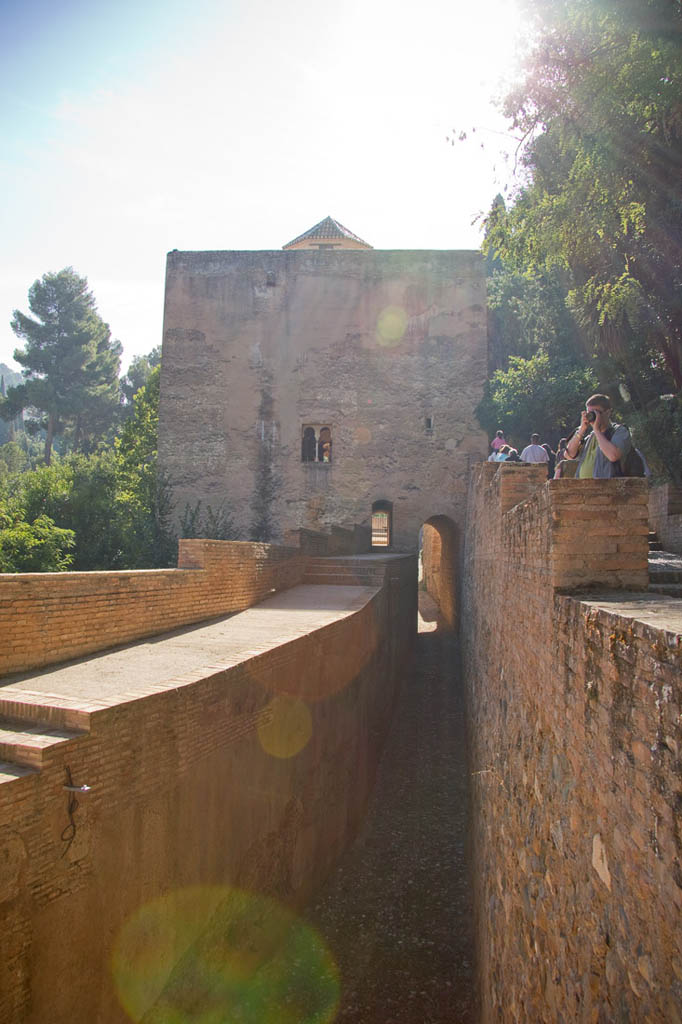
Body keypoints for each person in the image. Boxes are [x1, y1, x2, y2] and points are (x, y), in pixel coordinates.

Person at [564, 393, 631, 478]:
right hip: (584, 489)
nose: (592, 417)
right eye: (589, 413)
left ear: (608, 412)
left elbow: (613, 456)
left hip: (608, 488)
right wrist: (581, 430)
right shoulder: (591, 437)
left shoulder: (619, 431)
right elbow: (569, 455)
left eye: (596, 413)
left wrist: (596, 430)